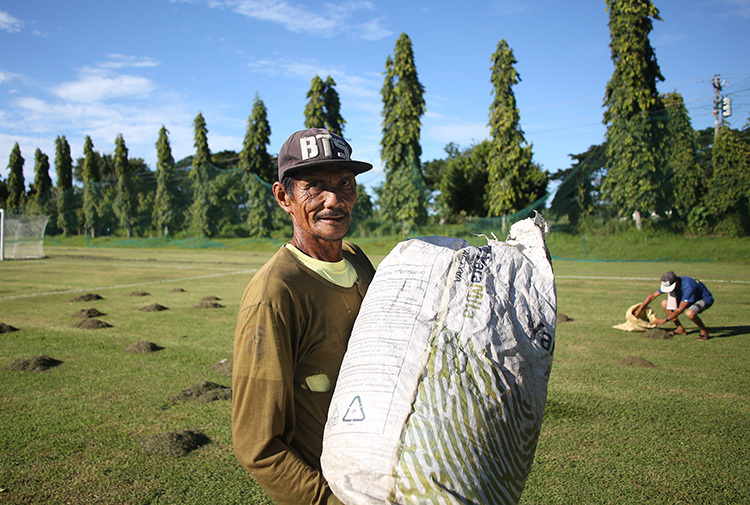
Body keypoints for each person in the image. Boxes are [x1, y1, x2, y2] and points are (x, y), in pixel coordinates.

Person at [232, 127, 376, 505]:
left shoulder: (358, 261)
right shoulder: (275, 294)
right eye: (314, 186)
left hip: (379, 476)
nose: (334, 199)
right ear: (284, 197)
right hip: (332, 490)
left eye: (345, 183)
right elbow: (257, 445)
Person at [635, 271, 714, 340]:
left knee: (690, 313)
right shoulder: (671, 282)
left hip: (703, 299)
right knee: (664, 303)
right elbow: (653, 295)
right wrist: (641, 308)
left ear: (676, 282)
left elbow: (680, 309)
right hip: (684, 298)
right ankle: (680, 329)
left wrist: (665, 319)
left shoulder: (688, 286)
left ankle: (704, 332)